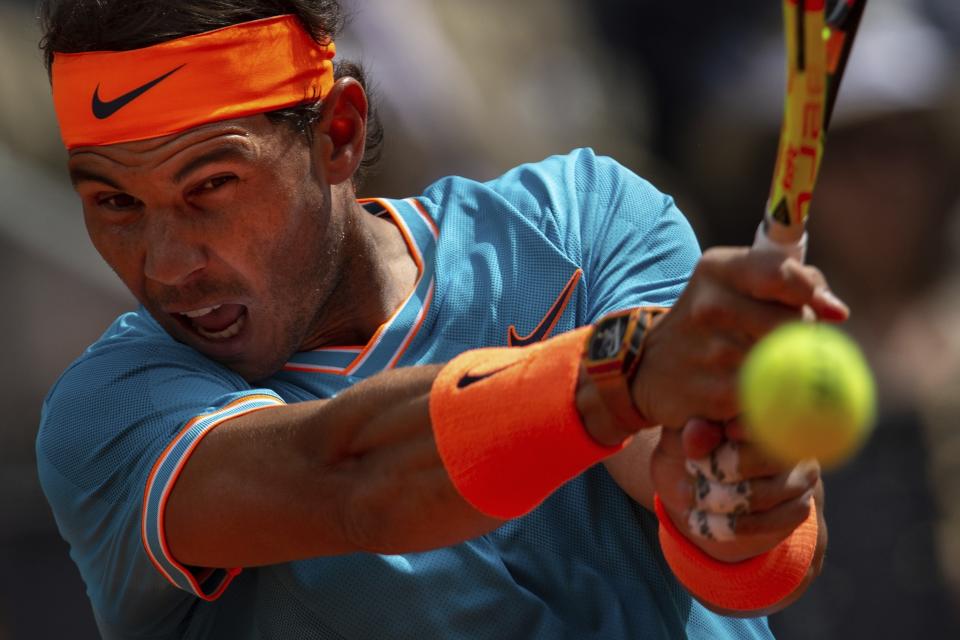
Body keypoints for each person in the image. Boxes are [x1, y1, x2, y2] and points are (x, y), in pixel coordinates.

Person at [36, 1, 847, 638]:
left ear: (338, 135)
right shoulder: (109, 413)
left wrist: (733, 501)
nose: (166, 262)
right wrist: (621, 373)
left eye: (210, 186)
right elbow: (347, 479)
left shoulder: (585, 224)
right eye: (114, 203)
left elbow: (740, 556)